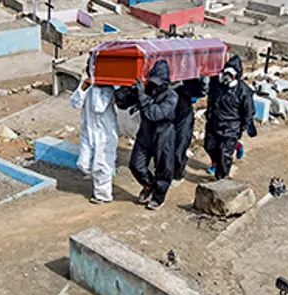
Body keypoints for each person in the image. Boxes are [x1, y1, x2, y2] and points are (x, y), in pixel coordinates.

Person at [129, 60, 178, 211]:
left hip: (163, 136)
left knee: (163, 169)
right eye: (152, 81)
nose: (154, 85)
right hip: (145, 134)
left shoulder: (172, 97)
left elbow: (154, 114)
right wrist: (130, 91)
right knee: (135, 165)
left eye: (157, 82)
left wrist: (142, 97)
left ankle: (158, 197)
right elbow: (124, 103)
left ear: (165, 82)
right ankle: (149, 185)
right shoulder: (147, 89)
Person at [204, 56, 256, 181]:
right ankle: (234, 148)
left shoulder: (244, 91)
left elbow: (249, 112)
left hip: (231, 127)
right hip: (214, 122)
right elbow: (209, 96)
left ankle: (220, 180)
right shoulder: (216, 84)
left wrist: (241, 128)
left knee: (224, 154)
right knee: (209, 146)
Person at [70, 74, 118, 204]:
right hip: (88, 130)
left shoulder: (109, 86)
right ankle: (99, 181)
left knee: (102, 165)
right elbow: (74, 103)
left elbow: (99, 106)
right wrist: (83, 88)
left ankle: (103, 196)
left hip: (104, 132)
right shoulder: (86, 82)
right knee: (83, 164)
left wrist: (98, 85)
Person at [173, 78, 207, 184]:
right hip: (168, 116)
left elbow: (201, 91)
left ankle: (178, 174)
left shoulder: (188, 76)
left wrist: (203, 81)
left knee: (179, 149)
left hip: (184, 117)